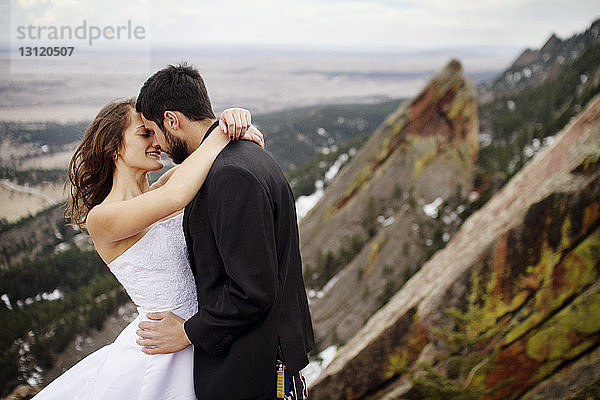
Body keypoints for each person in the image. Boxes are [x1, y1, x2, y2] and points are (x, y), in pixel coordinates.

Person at [32, 98, 263, 399]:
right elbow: (176, 195)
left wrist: (236, 121)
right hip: (161, 351)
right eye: (145, 134)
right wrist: (222, 131)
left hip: (202, 335)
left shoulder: (160, 189)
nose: (157, 141)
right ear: (113, 148)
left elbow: (206, 158)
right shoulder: (101, 217)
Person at [135, 63, 314, 400]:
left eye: (152, 130)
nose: (156, 143)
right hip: (258, 367)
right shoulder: (240, 156)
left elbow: (253, 291)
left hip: (255, 375)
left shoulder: (231, 175)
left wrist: (187, 332)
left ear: (172, 120)